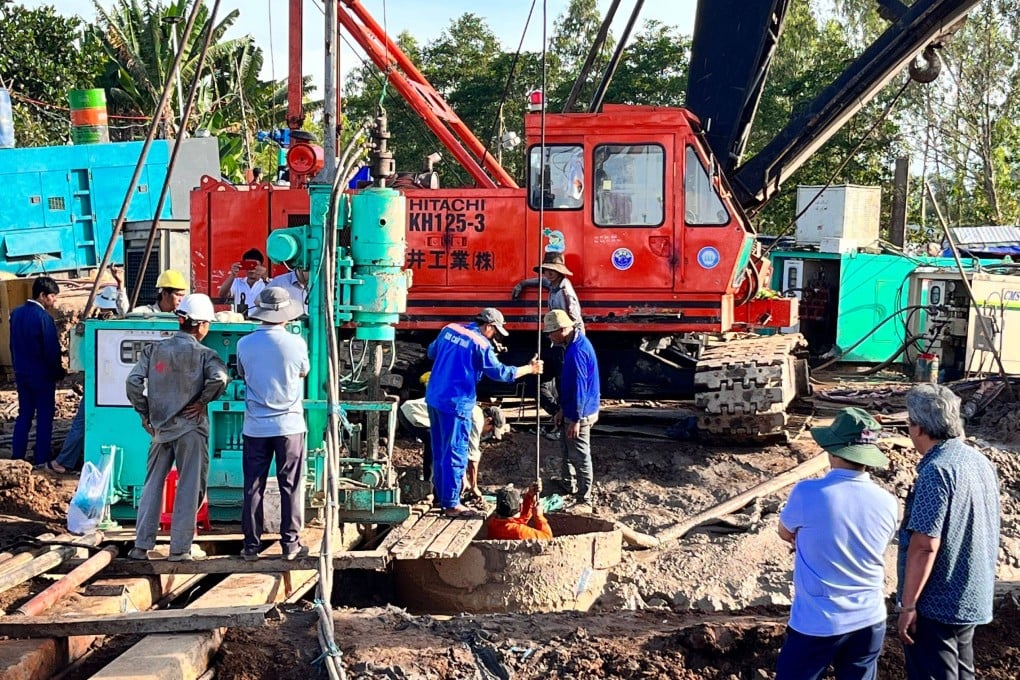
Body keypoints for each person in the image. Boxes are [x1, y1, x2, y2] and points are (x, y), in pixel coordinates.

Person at [775, 407, 898, 680]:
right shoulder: (887, 501)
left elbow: (785, 532)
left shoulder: (808, 493)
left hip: (818, 620)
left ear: (832, 450)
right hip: (869, 618)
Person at [897, 383, 1000, 680]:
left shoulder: (936, 470)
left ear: (918, 428)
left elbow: (924, 545)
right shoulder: (979, 461)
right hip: (972, 594)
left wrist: (908, 605)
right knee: (961, 673)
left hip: (937, 602)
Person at [125, 294, 228, 562]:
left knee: (152, 485)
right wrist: (202, 401)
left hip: (160, 429)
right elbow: (220, 379)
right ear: (202, 324)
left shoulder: (154, 350)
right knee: (189, 486)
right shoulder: (205, 354)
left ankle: (140, 546)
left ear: (181, 320)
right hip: (190, 429)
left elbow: (133, 382)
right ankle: (180, 549)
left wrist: (144, 412)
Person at [425, 308, 542, 518]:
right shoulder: (480, 344)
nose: (495, 336)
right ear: (488, 326)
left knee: (440, 449)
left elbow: (432, 352)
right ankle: (451, 504)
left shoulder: (449, 329)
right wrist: (529, 369)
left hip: (434, 397)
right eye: (495, 332)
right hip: (456, 402)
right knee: (455, 452)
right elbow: (501, 373)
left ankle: (442, 497)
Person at [236, 287, 310, 561]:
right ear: (285, 315)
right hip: (289, 426)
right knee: (290, 484)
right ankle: (290, 545)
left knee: (252, 485)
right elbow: (304, 371)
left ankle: (251, 547)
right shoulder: (296, 344)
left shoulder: (244, 344)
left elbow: (242, 374)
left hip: (255, 427)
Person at [45, 281, 127, 475]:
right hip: (114, 386)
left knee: (81, 423)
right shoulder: (122, 324)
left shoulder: (99, 326)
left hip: (99, 384)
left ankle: (64, 462)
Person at [398, 375, 508, 504]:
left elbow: (461, 452)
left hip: (410, 411)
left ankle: (435, 491)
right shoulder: (477, 418)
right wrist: (474, 487)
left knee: (442, 447)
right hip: (414, 413)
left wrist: (464, 479)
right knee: (437, 446)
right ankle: (431, 491)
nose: (488, 434)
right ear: (489, 420)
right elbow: (472, 458)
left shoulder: (472, 411)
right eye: (491, 430)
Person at [543, 309, 599, 511]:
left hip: (580, 413)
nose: (549, 336)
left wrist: (575, 419)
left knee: (581, 455)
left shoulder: (577, 353)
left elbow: (579, 388)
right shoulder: (573, 345)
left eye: (551, 332)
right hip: (573, 409)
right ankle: (569, 484)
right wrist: (562, 411)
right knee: (567, 449)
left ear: (563, 330)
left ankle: (584, 498)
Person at [11, 276, 64, 466]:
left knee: (24, 415)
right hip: (42, 377)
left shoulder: (16, 314)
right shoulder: (44, 318)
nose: (54, 301)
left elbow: (12, 345)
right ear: (42, 295)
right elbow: (51, 351)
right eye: (52, 297)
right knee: (44, 418)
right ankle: (41, 459)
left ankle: (17, 456)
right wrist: (58, 373)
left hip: (22, 374)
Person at [487, 483, 552, 541]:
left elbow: (519, 520)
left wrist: (530, 496)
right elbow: (548, 538)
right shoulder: (519, 532)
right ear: (521, 507)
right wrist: (539, 517)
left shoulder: (492, 523)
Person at [217, 248, 267, 315]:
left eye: (254, 266)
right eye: (248, 265)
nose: (251, 270)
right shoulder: (237, 282)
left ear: (261, 267)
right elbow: (222, 295)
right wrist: (233, 275)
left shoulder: (268, 283)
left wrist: (265, 277)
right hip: (241, 321)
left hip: (262, 320)